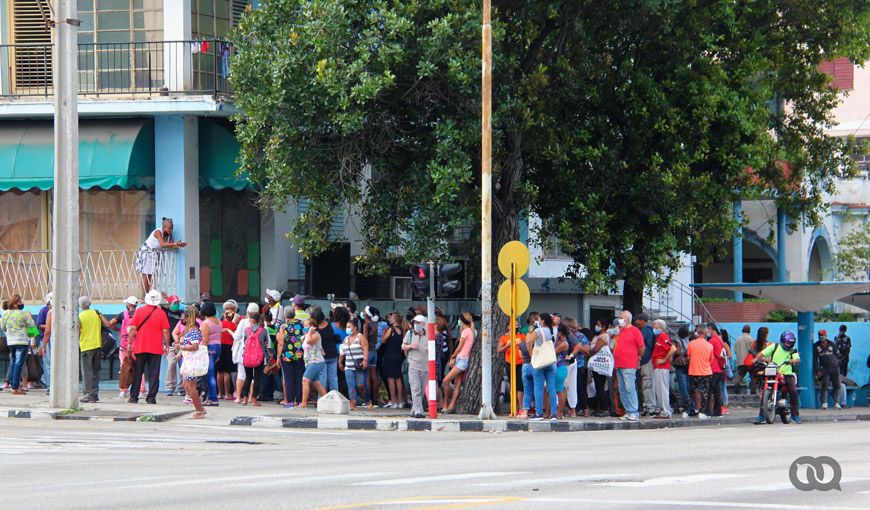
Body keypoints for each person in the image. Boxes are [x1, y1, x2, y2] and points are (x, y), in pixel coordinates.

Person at [127, 289, 170, 404]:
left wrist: (130, 344)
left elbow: (132, 330)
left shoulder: (139, 311)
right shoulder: (161, 313)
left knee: (138, 372)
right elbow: (165, 331)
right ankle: (151, 398)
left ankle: (133, 397)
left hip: (140, 347)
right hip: (156, 348)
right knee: (154, 374)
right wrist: (166, 345)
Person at [753, 330, 801, 424]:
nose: (787, 345)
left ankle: (795, 415)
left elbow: (797, 359)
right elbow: (762, 353)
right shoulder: (774, 346)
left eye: (790, 343)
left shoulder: (793, 350)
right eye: (786, 343)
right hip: (774, 372)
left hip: (787, 374)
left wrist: (792, 361)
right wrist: (756, 358)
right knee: (764, 391)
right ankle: (762, 416)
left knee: (793, 391)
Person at [134, 217, 187, 294]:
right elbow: (162, 244)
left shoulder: (168, 234)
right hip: (147, 253)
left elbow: (170, 245)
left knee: (151, 276)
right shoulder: (158, 232)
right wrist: (175, 244)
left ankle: (148, 294)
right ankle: (144, 296)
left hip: (153, 254)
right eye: (169, 228)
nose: (171, 230)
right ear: (164, 227)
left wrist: (179, 245)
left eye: (172, 228)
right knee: (145, 275)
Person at [523, 313, 559, 422]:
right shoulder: (554, 332)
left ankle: (539, 413)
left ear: (542, 321)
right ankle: (554, 414)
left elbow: (528, 340)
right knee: (551, 387)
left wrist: (531, 328)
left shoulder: (538, 331)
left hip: (540, 362)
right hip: (551, 361)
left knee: (538, 387)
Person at [77, 296, 111, 403]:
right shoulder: (96, 314)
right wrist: (100, 314)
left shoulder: (80, 316)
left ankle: (89, 394)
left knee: (87, 372)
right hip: (97, 345)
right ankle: (95, 394)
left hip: (86, 346)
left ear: (80, 305)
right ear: (89, 304)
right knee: (96, 371)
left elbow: (78, 331)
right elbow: (108, 324)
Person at [612, 310, 644, 422]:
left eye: (622, 317)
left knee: (629, 388)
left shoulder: (635, 331)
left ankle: (634, 411)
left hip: (629, 364)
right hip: (619, 364)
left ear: (627, 319)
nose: (620, 319)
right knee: (622, 389)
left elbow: (641, 347)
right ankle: (628, 411)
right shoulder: (619, 331)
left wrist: (638, 357)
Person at [175, 305, 206, 419]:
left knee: (190, 386)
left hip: (191, 361)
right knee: (186, 384)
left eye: (184, 316)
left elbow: (194, 346)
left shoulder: (193, 330)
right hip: (189, 360)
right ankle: (200, 407)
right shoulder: (193, 329)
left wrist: (181, 347)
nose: (183, 318)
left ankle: (199, 410)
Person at [1, 295, 36, 395]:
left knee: (13, 363)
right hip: (22, 342)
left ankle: (13, 384)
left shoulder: (5, 314)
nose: (21, 303)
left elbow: (2, 327)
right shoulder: (24, 314)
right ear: (15, 303)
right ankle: (15, 387)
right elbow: (32, 327)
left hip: (11, 342)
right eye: (20, 301)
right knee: (18, 364)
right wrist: (31, 338)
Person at [443, 312, 476, 414]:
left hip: (461, 359)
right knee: (457, 384)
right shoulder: (472, 331)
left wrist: (453, 356)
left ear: (462, 321)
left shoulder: (465, 331)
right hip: (464, 359)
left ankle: (445, 404)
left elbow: (460, 347)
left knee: (446, 380)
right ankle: (451, 405)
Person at [109, 296, 139, 399]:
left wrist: (118, 331)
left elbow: (111, 323)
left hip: (124, 346)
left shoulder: (122, 314)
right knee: (139, 369)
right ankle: (142, 389)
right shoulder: (139, 314)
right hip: (137, 346)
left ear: (128, 305)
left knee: (124, 368)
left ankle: (123, 390)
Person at [277, 306, 305, 408]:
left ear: (285, 315)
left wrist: (278, 357)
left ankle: (290, 401)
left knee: (289, 379)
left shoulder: (283, 327)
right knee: (299, 378)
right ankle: (298, 400)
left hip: (287, 357)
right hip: (300, 355)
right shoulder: (301, 324)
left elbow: (280, 343)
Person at [240, 311, 270, 407]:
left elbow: (244, 342)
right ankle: (253, 399)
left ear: (252, 320)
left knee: (248, 377)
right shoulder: (263, 331)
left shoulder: (246, 330)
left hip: (247, 356)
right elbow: (266, 345)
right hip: (259, 357)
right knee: (257, 378)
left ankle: (244, 399)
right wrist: (268, 357)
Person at [232, 303, 260, 403]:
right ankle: (251, 398)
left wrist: (230, 330)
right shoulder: (261, 323)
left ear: (248, 312)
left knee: (241, 375)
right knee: (253, 377)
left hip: (244, 353)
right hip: (257, 354)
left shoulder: (243, 322)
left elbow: (236, 337)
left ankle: (239, 397)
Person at [339, 316, 369, 410]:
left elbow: (365, 349)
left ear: (355, 328)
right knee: (350, 385)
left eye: (349, 326)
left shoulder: (361, 337)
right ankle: (353, 403)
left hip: (358, 365)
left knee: (360, 385)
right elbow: (342, 352)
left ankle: (367, 399)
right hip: (348, 366)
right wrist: (340, 362)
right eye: (347, 327)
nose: (347, 328)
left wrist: (365, 360)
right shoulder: (346, 339)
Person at [300, 311, 328, 407]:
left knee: (305, 380)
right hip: (309, 362)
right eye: (304, 325)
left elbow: (308, 341)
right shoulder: (305, 335)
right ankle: (327, 401)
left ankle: (303, 403)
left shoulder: (316, 335)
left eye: (307, 325)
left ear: (312, 327)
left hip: (316, 361)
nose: (305, 327)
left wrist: (310, 332)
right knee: (316, 383)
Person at [402, 315, 428, 418]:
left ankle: (414, 410)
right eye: (415, 323)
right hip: (413, 364)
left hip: (425, 365)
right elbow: (403, 346)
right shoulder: (410, 333)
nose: (416, 325)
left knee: (421, 390)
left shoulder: (429, 334)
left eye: (418, 323)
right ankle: (418, 411)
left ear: (423, 324)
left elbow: (433, 346)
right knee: (415, 388)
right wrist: (411, 346)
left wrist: (428, 348)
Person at [587, 318, 613, 417]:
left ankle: (604, 408)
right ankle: (599, 408)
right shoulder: (598, 336)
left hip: (600, 365)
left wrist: (588, 351)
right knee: (599, 387)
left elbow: (596, 350)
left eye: (598, 324)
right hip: (597, 365)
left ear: (603, 326)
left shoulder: (603, 337)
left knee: (600, 386)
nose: (596, 326)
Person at [498, 325, 526, 415]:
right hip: (510, 363)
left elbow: (527, 345)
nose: (516, 326)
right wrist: (507, 345)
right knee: (512, 385)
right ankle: (513, 408)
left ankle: (521, 408)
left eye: (517, 325)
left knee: (521, 385)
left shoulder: (521, 336)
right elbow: (499, 350)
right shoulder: (504, 337)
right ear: (508, 326)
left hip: (521, 363)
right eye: (514, 324)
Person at [686, 328, 713, 419]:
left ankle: (687, 410)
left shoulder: (691, 344)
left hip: (693, 371)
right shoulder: (709, 345)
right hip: (706, 371)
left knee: (692, 391)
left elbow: (688, 357)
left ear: (697, 333)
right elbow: (711, 359)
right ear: (705, 334)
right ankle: (702, 412)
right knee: (704, 392)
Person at [650, 319, 675, 419]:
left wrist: (664, 360)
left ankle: (665, 411)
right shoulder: (660, 337)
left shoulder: (663, 336)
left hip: (661, 367)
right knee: (660, 390)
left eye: (655, 327)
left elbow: (673, 348)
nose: (654, 329)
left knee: (662, 390)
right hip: (659, 367)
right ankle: (664, 410)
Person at [380, 312, 406, 409]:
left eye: (390, 317)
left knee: (391, 379)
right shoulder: (401, 330)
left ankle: (393, 401)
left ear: (394, 319)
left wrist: (384, 333)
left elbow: (383, 340)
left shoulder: (391, 329)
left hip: (390, 356)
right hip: (398, 356)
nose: (389, 319)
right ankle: (400, 401)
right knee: (398, 378)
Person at [200, 301, 222, 406]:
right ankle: (213, 397)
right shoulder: (218, 321)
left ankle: (212, 398)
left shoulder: (206, 323)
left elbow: (205, 340)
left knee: (210, 375)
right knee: (212, 373)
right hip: (218, 347)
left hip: (209, 348)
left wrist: (201, 353)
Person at [813, 329, 841, 410]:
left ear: (826, 336)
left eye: (822, 335)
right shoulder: (816, 346)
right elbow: (815, 359)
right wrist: (817, 370)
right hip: (824, 369)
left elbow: (837, 355)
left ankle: (836, 402)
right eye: (820, 335)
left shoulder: (831, 344)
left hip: (835, 368)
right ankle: (824, 403)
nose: (821, 337)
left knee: (837, 385)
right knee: (825, 385)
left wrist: (838, 363)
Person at [162, 296, 185, 396]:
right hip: (170, 344)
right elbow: (158, 304)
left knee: (182, 366)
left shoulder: (181, 313)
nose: (177, 304)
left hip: (181, 344)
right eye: (175, 303)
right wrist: (167, 299)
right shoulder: (165, 311)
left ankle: (182, 388)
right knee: (171, 363)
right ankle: (169, 387)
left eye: (178, 303)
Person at [361, 306, 383, 407]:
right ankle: (375, 399)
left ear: (366, 314)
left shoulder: (366, 325)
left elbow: (364, 340)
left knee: (367, 377)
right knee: (374, 376)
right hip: (374, 352)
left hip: (368, 352)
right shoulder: (375, 325)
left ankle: (368, 399)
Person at [634, 313, 655, 415]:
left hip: (646, 360)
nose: (636, 322)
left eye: (637, 320)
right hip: (645, 360)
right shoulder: (647, 330)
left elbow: (641, 344)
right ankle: (647, 406)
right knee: (645, 385)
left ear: (642, 320)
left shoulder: (645, 330)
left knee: (647, 384)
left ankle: (650, 407)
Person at [217, 300, 239, 400]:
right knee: (227, 372)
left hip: (220, 347)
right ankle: (227, 394)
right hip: (229, 348)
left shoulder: (219, 324)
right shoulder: (234, 326)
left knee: (219, 372)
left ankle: (220, 393)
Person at [705, 323, 726, 417]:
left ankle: (709, 411)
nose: (707, 332)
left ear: (710, 329)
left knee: (710, 391)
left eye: (707, 329)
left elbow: (718, 354)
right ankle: (717, 411)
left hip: (714, 368)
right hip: (718, 369)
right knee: (717, 391)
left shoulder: (713, 340)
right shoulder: (719, 339)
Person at [671, 325, 692, 415]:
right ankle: (691, 405)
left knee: (683, 387)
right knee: (687, 385)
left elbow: (677, 352)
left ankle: (687, 406)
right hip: (687, 363)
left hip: (680, 364)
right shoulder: (687, 340)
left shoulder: (677, 340)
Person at [35, 293, 51, 391]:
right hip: (46, 339)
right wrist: (50, 325)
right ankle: (49, 385)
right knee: (47, 363)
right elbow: (39, 325)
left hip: (55, 339)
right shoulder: (44, 310)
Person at [733, 325, 755, 394]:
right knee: (753, 376)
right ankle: (753, 391)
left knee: (740, 375)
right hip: (750, 361)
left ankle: (736, 386)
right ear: (749, 331)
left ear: (742, 330)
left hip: (740, 361)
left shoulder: (738, 339)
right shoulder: (751, 339)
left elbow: (735, 351)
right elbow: (753, 350)